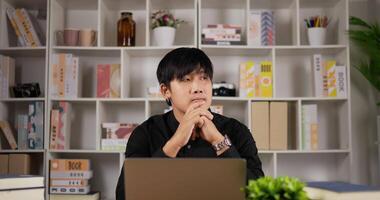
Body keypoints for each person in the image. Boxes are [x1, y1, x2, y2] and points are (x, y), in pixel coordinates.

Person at [116, 47, 264, 200]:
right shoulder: (145, 133)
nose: (198, 88)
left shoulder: (236, 131)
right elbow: (125, 195)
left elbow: (260, 194)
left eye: (204, 78)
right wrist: (175, 142)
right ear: (165, 90)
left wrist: (219, 141)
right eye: (186, 79)